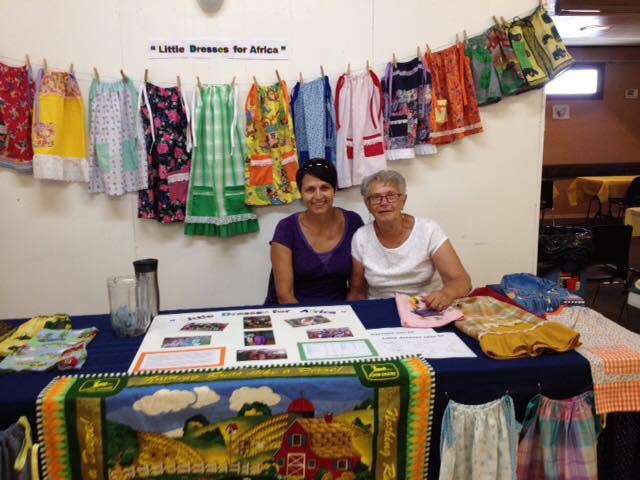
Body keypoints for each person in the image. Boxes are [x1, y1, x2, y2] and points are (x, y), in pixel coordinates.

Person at [347, 170, 471, 310]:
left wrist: (446, 294)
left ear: (403, 200)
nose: (384, 202)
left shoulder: (428, 230)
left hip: (426, 307)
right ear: (367, 205)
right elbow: (357, 291)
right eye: (375, 197)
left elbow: (461, 280)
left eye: (391, 196)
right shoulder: (361, 237)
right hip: (379, 309)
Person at [265, 158, 364, 304]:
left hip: (339, 313)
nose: (318, 196)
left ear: (334, 190)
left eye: (325, 188)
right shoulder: (286, 228)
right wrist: (309, 323)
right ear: (300, 192)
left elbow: (357, 289)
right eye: (310, 189)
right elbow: (285, 295)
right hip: (291, 313)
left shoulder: (353, 222)